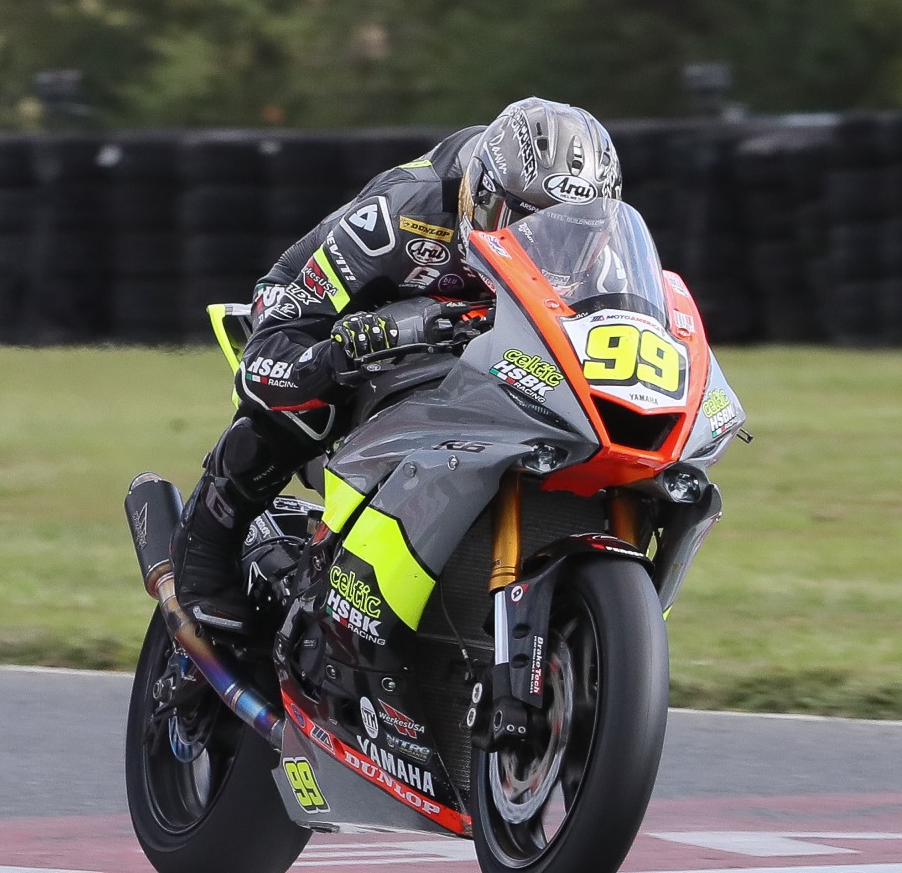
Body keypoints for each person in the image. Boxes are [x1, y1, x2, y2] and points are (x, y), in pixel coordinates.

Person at [172, 97, 623, 634]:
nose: (547, 243)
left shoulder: (605, 257)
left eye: (572, 229)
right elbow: (274, 346)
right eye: (525, 222)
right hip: (339, 312)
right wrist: (340, 352)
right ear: (479, 197)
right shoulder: (401, 213)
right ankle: (203, 556)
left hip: (481, 339)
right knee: (304, 395)